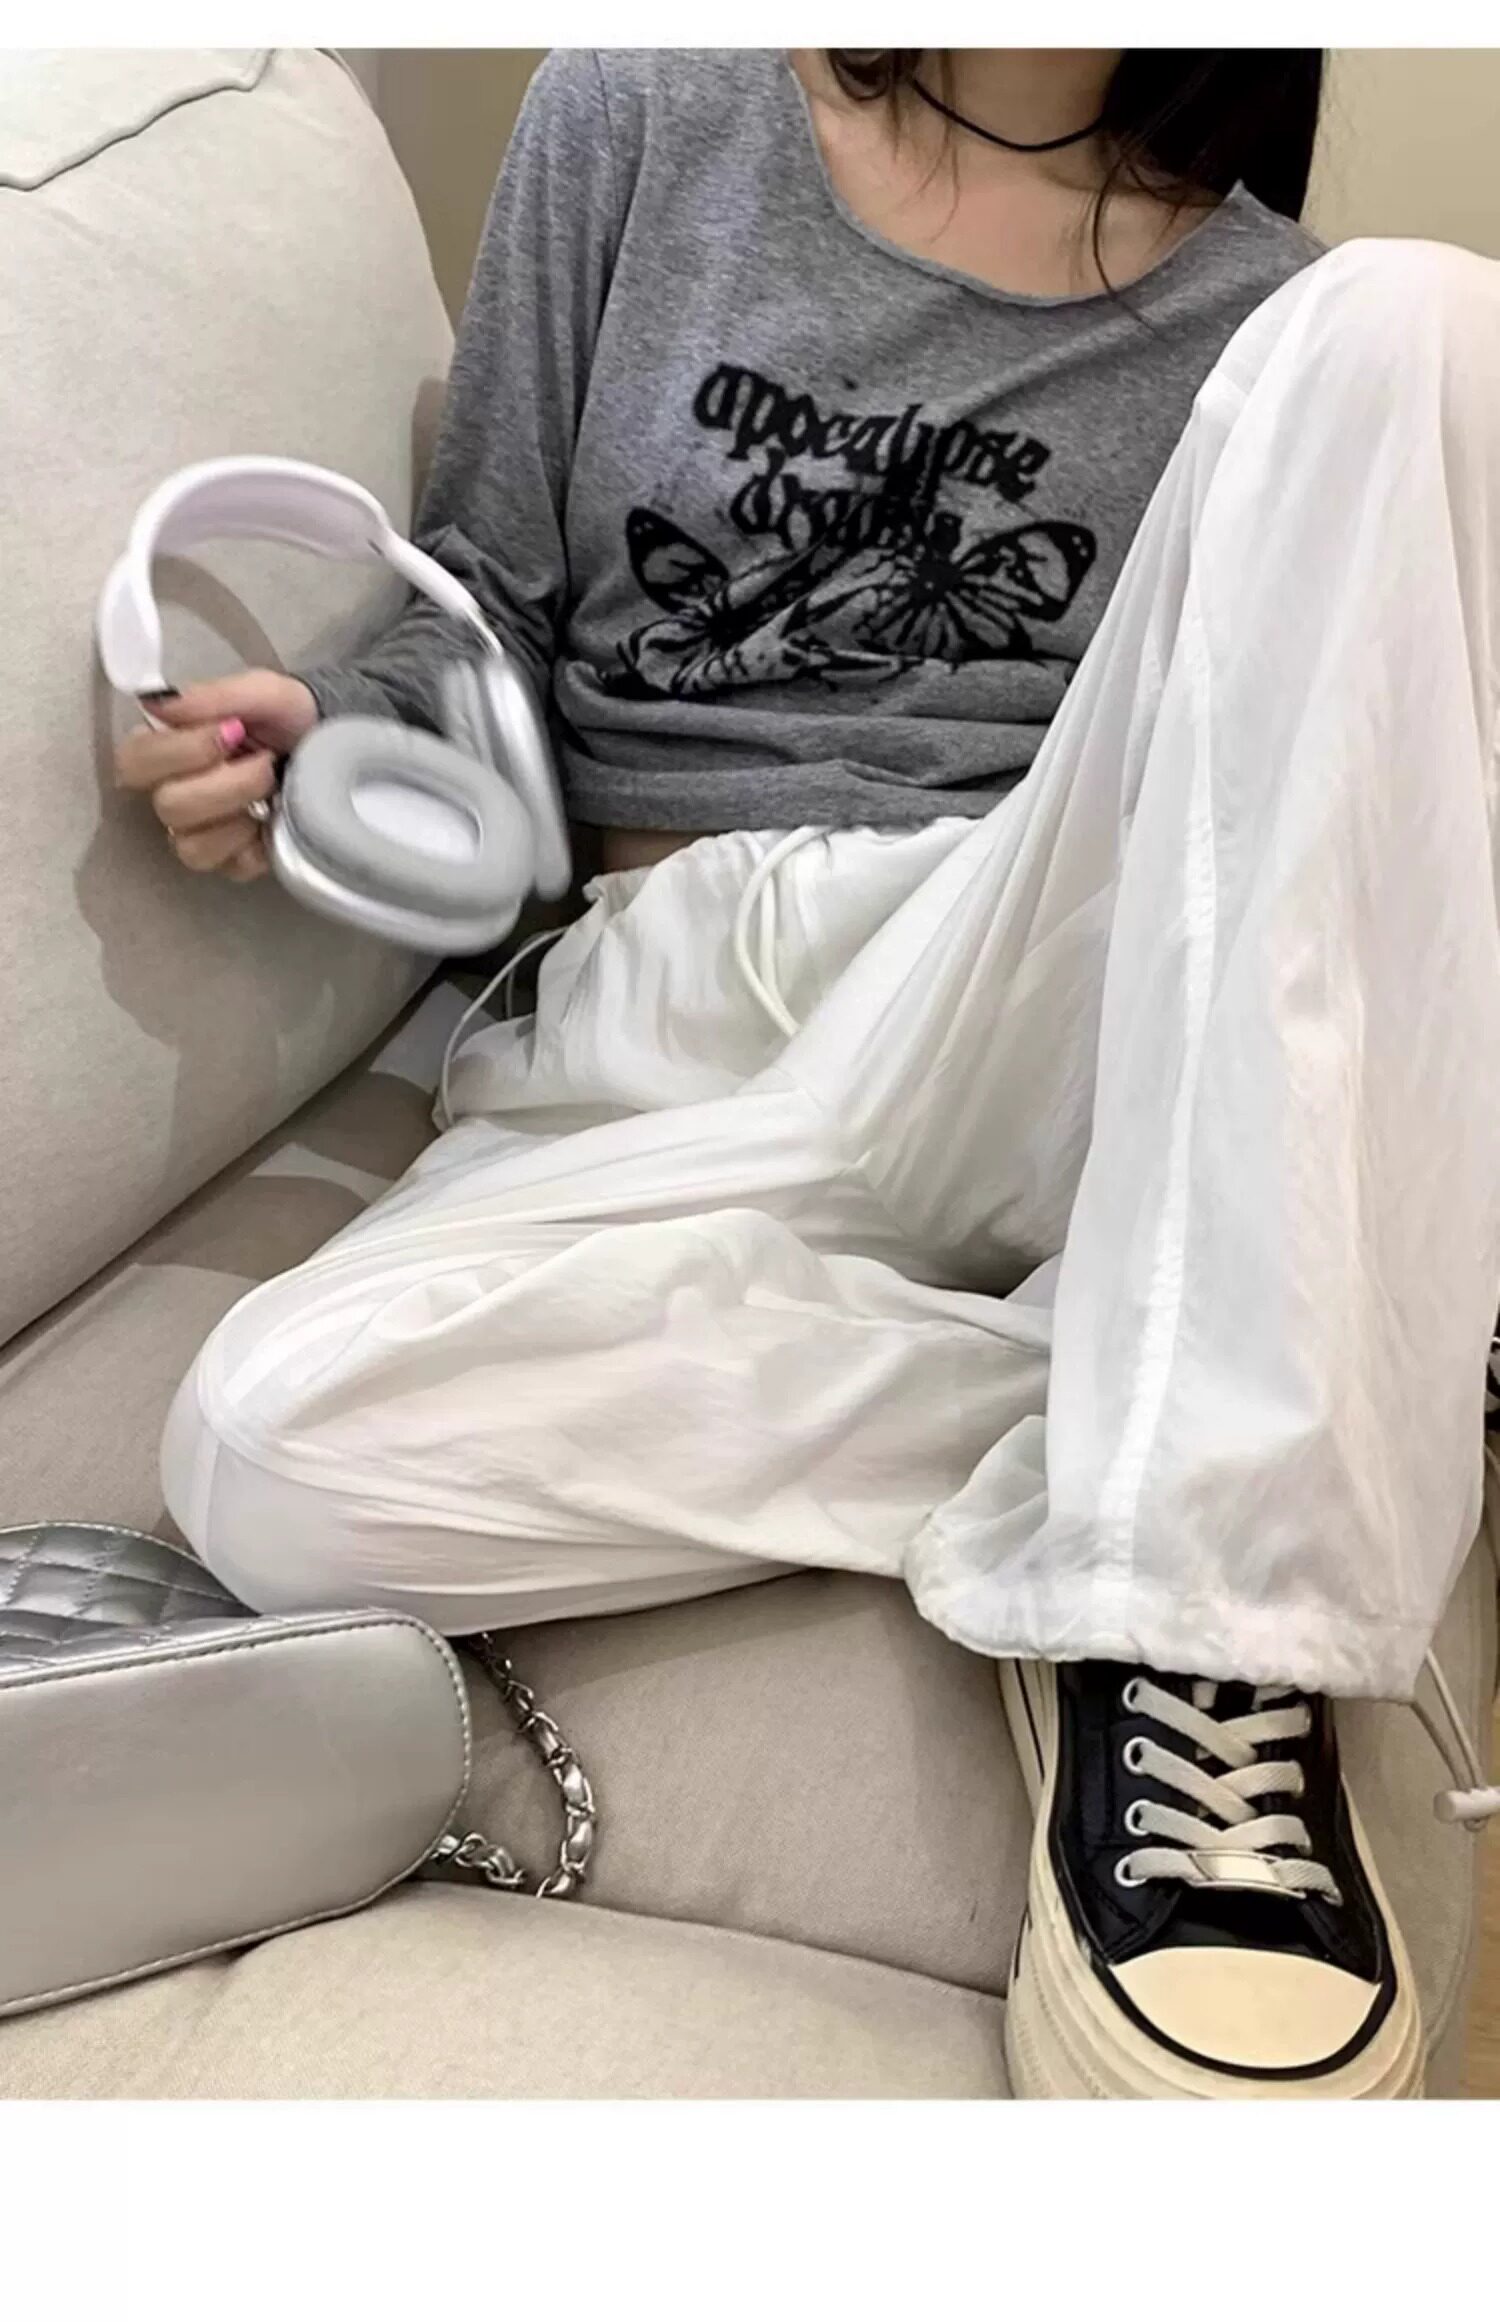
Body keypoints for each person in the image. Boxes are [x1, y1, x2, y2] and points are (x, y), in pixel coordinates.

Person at [114, 48, 1500, 2101]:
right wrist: (340, 730)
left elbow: (1275, 829)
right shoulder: (642, 116)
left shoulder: (1266, 318)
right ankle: (1206, 1388)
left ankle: (1206, 1554)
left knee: (1420, 320)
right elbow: (485, 596)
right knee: (273, 1450)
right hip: (655, 997)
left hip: (1011, 967)